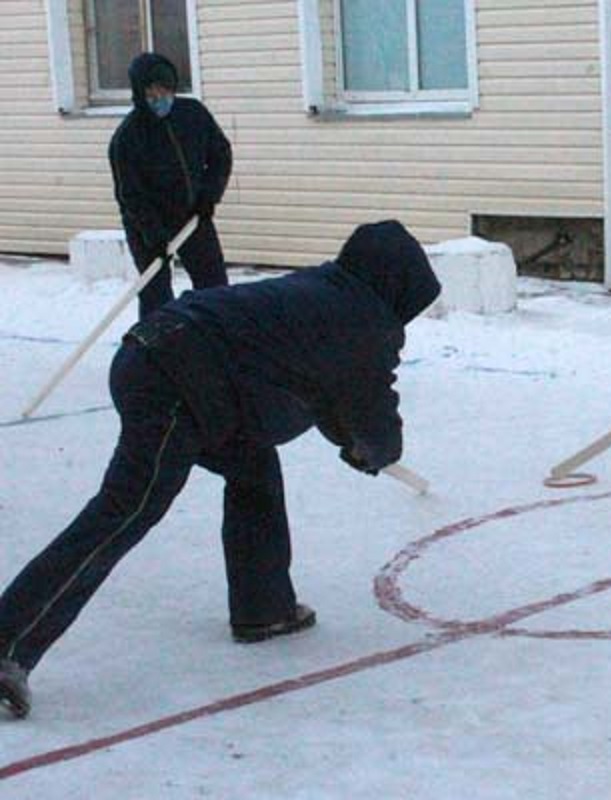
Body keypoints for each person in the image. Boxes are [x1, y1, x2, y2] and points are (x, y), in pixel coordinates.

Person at [0, 220, 441, 720]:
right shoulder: (364, 324)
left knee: (252, 465)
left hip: (165, 357)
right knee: (125, 510)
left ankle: (265, 608)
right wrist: (374, 452)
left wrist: (356, 441)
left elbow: (328, 395)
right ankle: (7, 644)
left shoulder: (324, 292)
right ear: (397, 284)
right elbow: (368, 411)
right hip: (174, 382)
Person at [108, 52, 233, 319]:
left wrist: (209, 195)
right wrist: (152, 233)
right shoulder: (127, 137)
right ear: (139, 93)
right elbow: (130, 194)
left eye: (165, 90)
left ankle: (218, 342)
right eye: (151, 92)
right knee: (156, 294)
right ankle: (154, 353)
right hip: (147, 227)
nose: (159, 98)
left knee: (214, 286)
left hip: (192, 215)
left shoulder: (193, 115)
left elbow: (220, 154)